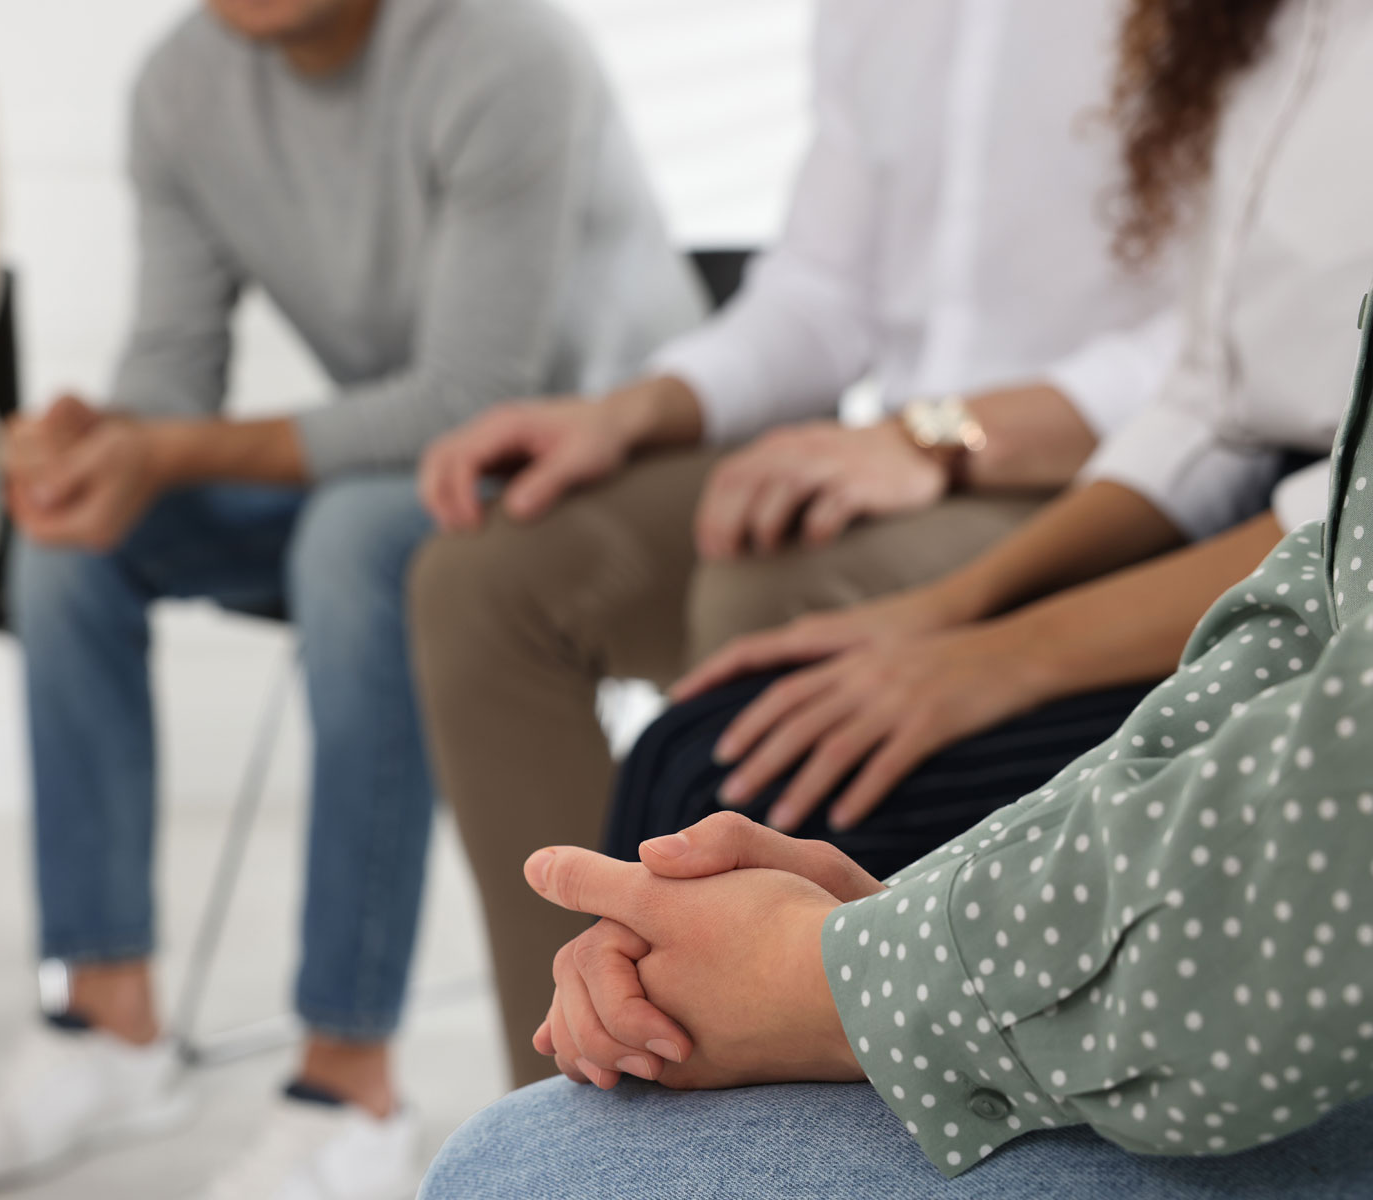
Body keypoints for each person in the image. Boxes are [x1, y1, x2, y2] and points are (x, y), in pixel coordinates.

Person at [0, 0, 702, 1194]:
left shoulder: (505, 50)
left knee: (353, 540)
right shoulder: (182, 84)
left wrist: (163, 452)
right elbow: (173, 374)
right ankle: (106, 1017)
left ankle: (348, 1081)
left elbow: (472, 397)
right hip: (408, 466)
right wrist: (105, 443)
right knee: (75, 539)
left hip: (601, 467)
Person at [408, 0, 1180, 1086]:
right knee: (486, 576)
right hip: (897, 449)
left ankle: (794, 1087)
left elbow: (1249, 338)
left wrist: (944, 436)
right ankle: (569, 1102)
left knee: (770, 590)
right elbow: (819, 294)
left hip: (1109, 473)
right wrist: (633, 411)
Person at [603, 0, 1367, 907]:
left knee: (737, 785)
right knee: (691, 743)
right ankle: (601, 1043)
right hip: (1252, 519)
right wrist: (950, 611)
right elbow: (1206, 404)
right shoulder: (1263, 30)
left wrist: (1006, 655)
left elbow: (1342, 523)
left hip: (1337, 606)